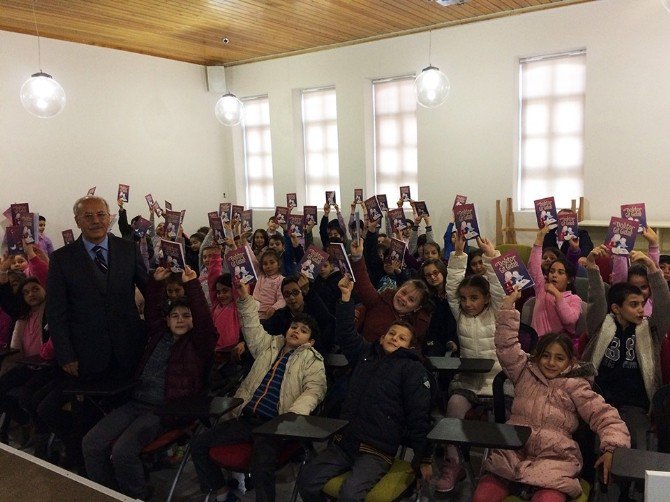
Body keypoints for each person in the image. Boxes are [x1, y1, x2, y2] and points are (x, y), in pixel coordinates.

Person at [474, 289, 630, 502]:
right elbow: (506, 345)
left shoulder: (576, 385)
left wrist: (612, 448)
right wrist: (508, 307)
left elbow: (605, 416)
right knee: (482, 496)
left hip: (555, 460)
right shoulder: (524, 371)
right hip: (513, 454)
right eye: (545, 356)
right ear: (537, 356)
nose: (550, 362)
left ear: (570, 363)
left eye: (559, 358)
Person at [82, 265, 215, 499]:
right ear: (167, 320)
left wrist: (191, 284)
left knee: (123, 451)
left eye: (186, 315)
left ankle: (137, 495)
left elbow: (204, 319)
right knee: (91, 443)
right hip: (135, 403)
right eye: (175, 315)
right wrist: (155, 282)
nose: (180, 320)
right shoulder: (159, 336)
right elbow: (153, 310)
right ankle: (106, 491)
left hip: (164, 410)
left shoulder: (198, 344)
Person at [297, 277, 432, 501]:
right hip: (345, 442)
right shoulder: (366, 353)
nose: (394, 339)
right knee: (307, 480)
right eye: (391, 334)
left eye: (401, 338)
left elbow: (419, 416)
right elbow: (346, 333)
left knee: (350, 494)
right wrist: (346, 299)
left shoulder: (413, 369)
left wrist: (424, 458)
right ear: (381, 338)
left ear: (410, 346)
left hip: (376, 450)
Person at [190, 280, 326, 502]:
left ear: (310, 341)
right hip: (247, 417)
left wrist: (290, 418)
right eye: (294, 327)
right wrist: (244, 299)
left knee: (261, 466)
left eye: (303, 331)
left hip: (275, 424)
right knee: (199, 443)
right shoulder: (270, 344)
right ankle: (223, 493)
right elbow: (252, 329)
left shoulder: (313, 360)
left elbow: (314, 391)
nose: (295, 332)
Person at [46, 195, 148, 380]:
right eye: (88, 216)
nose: (96, 221)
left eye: (101, 214)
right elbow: (55, 312)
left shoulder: (128, 249)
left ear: (109, 217)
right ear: (77, 221)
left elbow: (149, 291)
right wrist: (66, 355)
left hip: (129, 348)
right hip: (86, 354)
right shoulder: (62, 259)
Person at [583, 246, 670, 453]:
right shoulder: (602, 324)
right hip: (600, 398)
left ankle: (630, 483)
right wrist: (592, 268)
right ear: (616, 308)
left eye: (642, 304)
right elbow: (596, 300)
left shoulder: (650, 329)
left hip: (635, 404)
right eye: (633, 305)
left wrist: (652, 267)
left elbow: (664, 305)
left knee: (633, 447)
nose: (641, 309)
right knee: (594, 442)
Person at [438, 234, 504, 492]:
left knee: (507, 417)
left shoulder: (496, 311)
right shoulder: (460, 314)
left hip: (497, 380)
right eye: (464, 299)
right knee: (453, 406)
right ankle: (453, 463)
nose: (467, 303)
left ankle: (499, 466)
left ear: (486, 299)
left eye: (474, 298)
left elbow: (498, 286)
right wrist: (457, 254)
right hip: (468, 380)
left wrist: (491, 257)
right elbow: (452, 287)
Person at [349, 237, 432, 345]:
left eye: (411, 299)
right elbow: (363, 284)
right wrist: (357, 257)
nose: (403, 298)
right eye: (403, 292)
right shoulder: (379, 301)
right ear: (398, 289)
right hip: (367, 356)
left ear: (417, 307)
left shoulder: (417, 323)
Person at [528, 226, 583, 339]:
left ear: (569, 279)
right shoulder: (542, 288)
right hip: (537, 344)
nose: (554, 275)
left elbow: (569, 320)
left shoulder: (574, 299)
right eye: (552, 271)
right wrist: (539, 238)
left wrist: (557, 295)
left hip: (558, 344)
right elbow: (534, 266)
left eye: (560, 272)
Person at [252, 248, 286, 320]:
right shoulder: (261, 278)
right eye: (265, 264)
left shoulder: (281, 279)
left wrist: (274, 308)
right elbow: (255, 296)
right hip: (257, 314)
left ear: (279, 264)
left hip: (272, 314)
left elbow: (282, 299)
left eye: (272, 262)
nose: (268, 266)